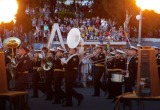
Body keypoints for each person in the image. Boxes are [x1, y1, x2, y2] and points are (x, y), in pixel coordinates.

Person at [12, 45, 31, 110]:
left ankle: (21, 107)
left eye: (20, 50)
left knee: (16, 93)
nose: (18, 51)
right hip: (20, 78)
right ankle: (22, 107)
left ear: (23, 50)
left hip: (22, 79)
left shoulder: (26, 58)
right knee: (20, 95)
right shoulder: (22, 58)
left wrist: (15, 68)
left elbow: (24, 68)